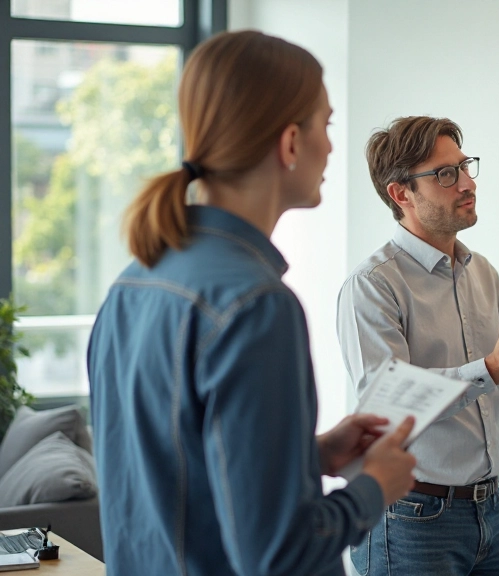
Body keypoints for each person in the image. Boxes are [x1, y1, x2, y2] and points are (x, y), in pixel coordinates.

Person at [87, 31, 416, 576]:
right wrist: (374, 487)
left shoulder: (133, 282)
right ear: (291, 143)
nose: (332, 147)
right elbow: (277, 556)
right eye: (327, 125)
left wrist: (309, 456)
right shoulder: (256, 306)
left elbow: (173, 478)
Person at [337, 116, 499, 575]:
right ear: (401, 194)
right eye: (445, 174)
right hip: (410, 519)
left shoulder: (482, 272)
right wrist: (489, 371)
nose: (467, 183)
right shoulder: (372, 285)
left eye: (465, 166)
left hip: (491, 510)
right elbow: (388, 411)